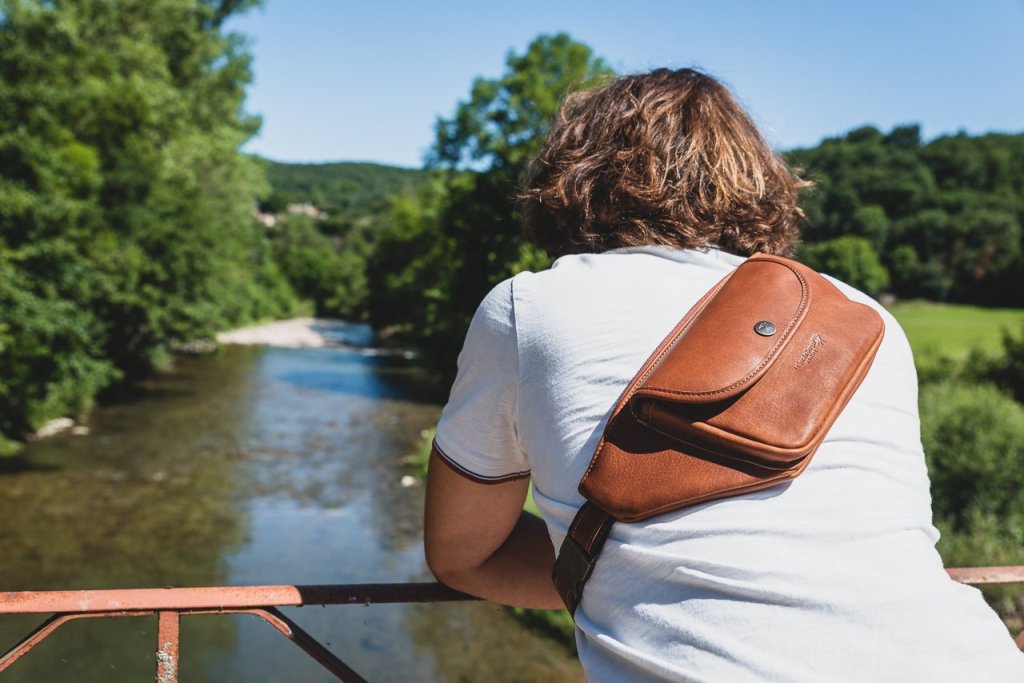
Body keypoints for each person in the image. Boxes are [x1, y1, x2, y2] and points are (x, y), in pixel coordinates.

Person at [423, 68, 1024, 681]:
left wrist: (631, 578)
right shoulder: (865, 318)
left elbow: (466, 554)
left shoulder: (530, 308)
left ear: (572, 179)